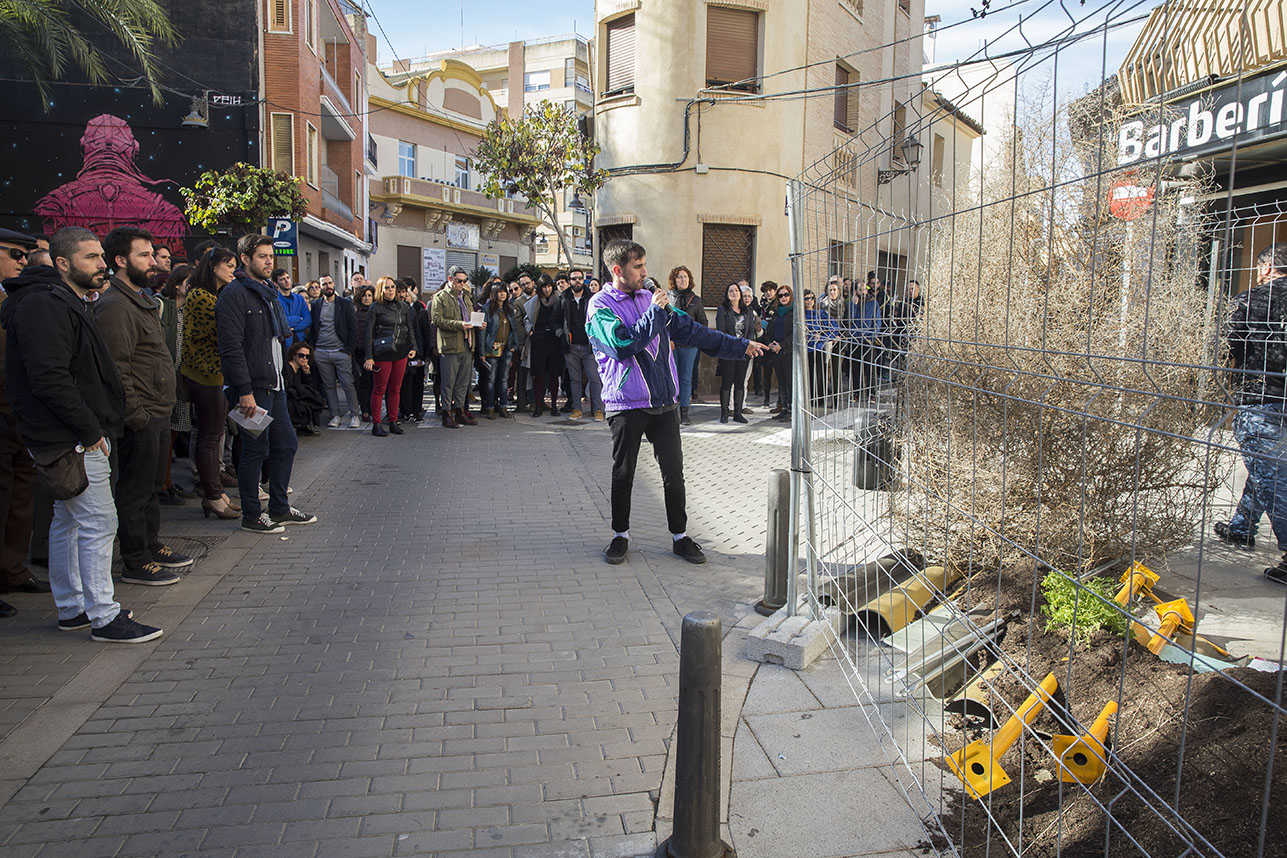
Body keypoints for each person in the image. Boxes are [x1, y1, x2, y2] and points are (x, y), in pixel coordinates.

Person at [2, 227, 163, 641]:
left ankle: (73, 607)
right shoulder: (44, 305)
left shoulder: (59, 301)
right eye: (91, 257)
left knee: (69, 521)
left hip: (70, 431)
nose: (102, 265)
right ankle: (104, 616)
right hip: (70, 435)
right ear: (62, 263)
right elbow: (50, 378)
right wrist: (89, 429)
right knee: (97, 521)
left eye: (100, 256)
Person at [588, 240, 770, 566]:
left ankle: (680, 536)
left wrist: (739, 346)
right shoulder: (600, 306)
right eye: (638, 267)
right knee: (624, 472)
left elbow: (693, 332)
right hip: (626, 404)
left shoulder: (651, 299)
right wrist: (655, 312)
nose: (646, 273)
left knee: (674, 473)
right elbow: (622, 345)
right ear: (618, 270)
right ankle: (620, 535)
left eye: (645, 265)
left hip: (664, 403)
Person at [96, 226, 190, 585]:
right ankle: (135, 560)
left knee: (151, 486)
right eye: (144, 255)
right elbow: (117, 368)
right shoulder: (116, 305)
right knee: (135, 489)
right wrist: (137, 413)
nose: (153, 262)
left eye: (153, 254)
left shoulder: (142, 299)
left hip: (159, 409)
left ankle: (151, 545)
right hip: (142, 414)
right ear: (120, 261)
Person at [216, 233, 316, 534]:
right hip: (253, 388)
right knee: (254, 450)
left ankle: (280, 508)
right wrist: (244, 392)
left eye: (271, 256)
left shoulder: (268, 291)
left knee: (286, 444)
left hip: (275, 384)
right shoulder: (234, 295)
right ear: (245, 259)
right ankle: (251, 514)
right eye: (262, 256)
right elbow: (231, 348)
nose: (269, 261)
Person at [1218, 243, 1287, 584]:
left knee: (1273, 476)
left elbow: (1228, 346)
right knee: (1268, 467)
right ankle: (1242, 527)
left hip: (1262, 396)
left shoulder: (1251, 301)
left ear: (1265, 268)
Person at [0, 229, 49, 617]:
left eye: (25, 254)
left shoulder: (10, 297)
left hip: (18, 415)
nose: (22, 260)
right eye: (14, 253)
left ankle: (12, 570)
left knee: (19, 498)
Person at [181, 247, 240, 520]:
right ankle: (213, 496)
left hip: (214, 374)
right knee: (209, 437)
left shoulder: (212, 295)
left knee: (214, 436)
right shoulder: (202, 297)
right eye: (228, 265)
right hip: (204, 376)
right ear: (212, 267)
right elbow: (225, 332)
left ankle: (217, 492)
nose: (232, 270)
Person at [363, 277, 421, 436]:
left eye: (393, 287)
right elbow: (368, 334)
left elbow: (410, 328)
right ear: (381, 290)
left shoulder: (404, 307)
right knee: (379, 389)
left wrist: (413, 347)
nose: (390, 290)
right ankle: (376, 423)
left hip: (401, 352)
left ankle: (393, 421)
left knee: (396, 389)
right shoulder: (375, 308)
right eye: (387, 288)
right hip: (382, 354)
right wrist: (369, 356)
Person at [157, 264, 193, 506]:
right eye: (188, 283)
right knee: (161, 436)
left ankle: (167, 481)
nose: (191, 288)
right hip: (162, 379)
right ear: (177, 284)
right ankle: (160, 483)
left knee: (173, 432)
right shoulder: (162, 306)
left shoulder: (189, 311)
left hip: (181, 379)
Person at [308, 273, 361, 429]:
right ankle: (335, 415)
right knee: (328, 385)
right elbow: (313, 328)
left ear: (334, 284)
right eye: (324, 284)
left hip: (341, 351)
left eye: (330, 283)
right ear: (320, 287)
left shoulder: (344, 304)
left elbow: (353, 328)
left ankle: (354, 415)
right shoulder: (316, 305)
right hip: (321, 352)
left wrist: (349, 350)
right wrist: (314, 348)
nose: (328, 286)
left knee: (347, 384)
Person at [430, 266, 478, 428]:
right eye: (459, 281)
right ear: (450, 280)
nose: (462, 284)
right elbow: (437, 320)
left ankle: (459, 411)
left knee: (463, 382)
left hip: (467, 343)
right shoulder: (440, 297)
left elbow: (470, 316)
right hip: (450, 345)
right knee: (448, 382)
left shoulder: (465, 297)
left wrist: (478, 323)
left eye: (465, 281)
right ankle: (446, 413)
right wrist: (460, 324)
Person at [666, 266, 707, 425]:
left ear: (689, 280)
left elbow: (703, 322)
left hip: (689, 346)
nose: (682, 280)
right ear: (674, 280)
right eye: (679, 277)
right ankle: (671, 411)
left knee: (685, 379)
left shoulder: (696, 300)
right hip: (672, 344)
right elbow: (663, 320)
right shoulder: (667, 297)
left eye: (685, 277)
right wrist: (668, 339)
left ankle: (684, 413)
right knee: (671, 378)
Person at [563, 266, 604, 420]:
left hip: (590, 346)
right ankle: (577, 409)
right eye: (574, 278)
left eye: (580, 278)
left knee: (594, 378)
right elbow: (557, 321)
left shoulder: (592, 298)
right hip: (571, 346)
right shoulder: (563, 298)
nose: (577, 281)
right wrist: (562, 335)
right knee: (575, 380)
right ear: (569, 281)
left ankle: (598, 410)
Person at [525, 275, 566, 417]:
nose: (547, 289)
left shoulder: (559, 299)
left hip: (555, 341)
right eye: (544, 286)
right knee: (539, 376)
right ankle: (538, 406)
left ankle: (554, 406)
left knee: (554, 376)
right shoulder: (534, 301)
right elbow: (527, 318)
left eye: (549, 286)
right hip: (539, 341)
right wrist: (529, 330)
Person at [715, 283, 756, 424]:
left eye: (736, 290)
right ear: (727, 294)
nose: (734, 293)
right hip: (728, 351)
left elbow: (750, 331)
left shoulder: (748, 311)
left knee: (740, 382)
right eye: (731, 290)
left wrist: (748, 346)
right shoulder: (722, 310)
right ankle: (724, 413)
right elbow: (721, 331)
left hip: (743, 352)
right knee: (727, 383)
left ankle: (738, 413)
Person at [483, 282, 521, 418]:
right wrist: (483, 350)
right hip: (492, 349)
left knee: (504, 379)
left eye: (505, 291)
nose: (503, 294)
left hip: (506, 348)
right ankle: (490, 407)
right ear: (494, 293)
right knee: (491, 379)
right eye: (500, 292)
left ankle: (504, 407)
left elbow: (514, 330)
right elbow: (483, 332)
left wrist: (514, 346)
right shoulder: (487, 309)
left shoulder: (509, 309)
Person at [848, 279, 883, 401]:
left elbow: (877, 321)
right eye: (860, 289)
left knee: (870, 368)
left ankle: (871, 394)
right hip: (855, 339)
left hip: (868, 339)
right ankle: (856, 393)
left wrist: (872, 335)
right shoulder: (853, 303)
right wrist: (854, 305)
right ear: (855, 291)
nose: (863, 291)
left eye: (865, 289)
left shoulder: (873, 303)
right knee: (855, 368)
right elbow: (849, 320)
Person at [284, 342, 325, 434]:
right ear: (294, 355)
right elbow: (289, 387)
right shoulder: (288, 368)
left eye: (307, 356)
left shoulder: (301, 369)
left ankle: (305, 426)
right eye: (301, 355)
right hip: (290, 397)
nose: (304, 359)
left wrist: (307, 373)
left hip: (298, 395)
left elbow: (310, 386)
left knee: (315, 397)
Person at [766, 283, 793, 420]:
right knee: (781, 381)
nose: (783, 297)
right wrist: (770, 343)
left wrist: (781, 345)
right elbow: (770, 329)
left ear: (790, 296)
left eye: (786, 294)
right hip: (776, 351)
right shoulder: (776, 311)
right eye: (780, 295)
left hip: (788, 351)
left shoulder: (794, 312)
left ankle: (790, 410)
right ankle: (783, 408)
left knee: (789, 381)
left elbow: (795, 334)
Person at [353, 284, 375, 422]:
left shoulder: (376, 312)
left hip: (375, 352)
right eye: (364, 296)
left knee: (374, 383)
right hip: (359, 352)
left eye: (369, 296)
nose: (367, 298)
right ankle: (365, 409)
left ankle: (373, 409)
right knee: (363, 383)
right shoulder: (355, 314)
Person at [756, 282, 779, 407]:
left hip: (775, 341)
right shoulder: (763, 304)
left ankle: (781, 401)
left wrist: (766, 323)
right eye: (766, 291)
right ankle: (766, 398)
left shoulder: (777, 303)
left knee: (779, 372)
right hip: (764, 341)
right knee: (766, 372)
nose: (768, 293)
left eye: (771, 290)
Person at [272, 269, 310, 344]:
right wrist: (298, 318)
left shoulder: (299, 298)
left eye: (288, 278)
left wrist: (294, 328)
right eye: (282, 279)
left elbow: (308, 319)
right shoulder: (274, 300)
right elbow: (277, 321)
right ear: (275, 284)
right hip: (283, 341)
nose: (287, 281)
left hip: (300, 339)